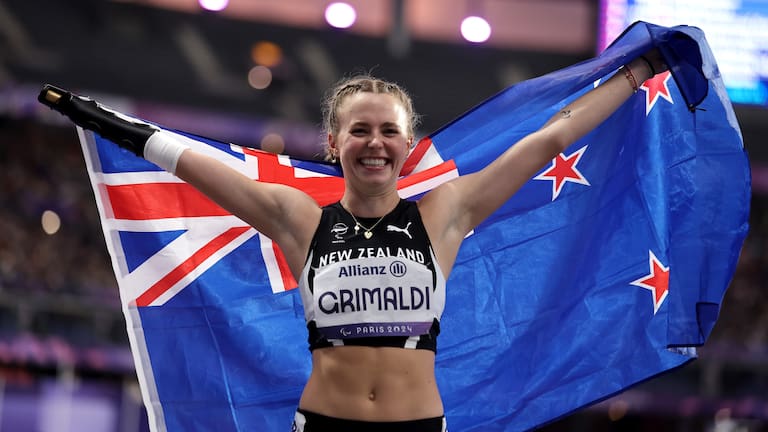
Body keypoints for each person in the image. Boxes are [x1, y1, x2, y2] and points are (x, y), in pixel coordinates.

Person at [39, 50, 665, 431]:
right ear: (334, 144)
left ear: (407, 142)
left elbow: (549, 140)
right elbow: (194, 167)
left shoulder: (446, 212)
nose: (374, 142)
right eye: (358, 130)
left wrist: (636, 72)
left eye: (388, 131)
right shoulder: (297, 219)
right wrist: (97, 119)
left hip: (418, 425)